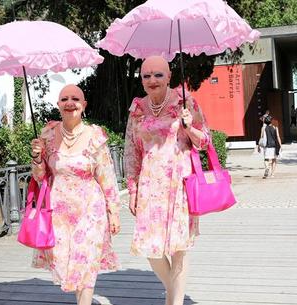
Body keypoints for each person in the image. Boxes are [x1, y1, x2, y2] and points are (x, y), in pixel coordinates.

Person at [124, 56, 211, 305]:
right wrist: (132, 190)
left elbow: (205, 141)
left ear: (169, 76)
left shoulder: (185, 101)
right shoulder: (137, 109)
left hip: (178, 184)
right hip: (149, 185)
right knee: (151, 250)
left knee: (178, 249)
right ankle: (175, 295)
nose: (152, 80)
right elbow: (132, 151)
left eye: (158, 75)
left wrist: (189, 127)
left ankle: (174, 302)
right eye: (146, 76)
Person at [30, 84, 121, 305]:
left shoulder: (95, 136)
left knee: (86, 263)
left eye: (75, 99)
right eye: (64, 99)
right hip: (58, 211)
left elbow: (106, 176)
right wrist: (36, 158)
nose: (70, 103)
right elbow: (40, 177)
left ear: (84, 105)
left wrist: (114, 212)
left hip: (91, 210)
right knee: (70, 264)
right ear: (58, 105)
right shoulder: (48, 135)